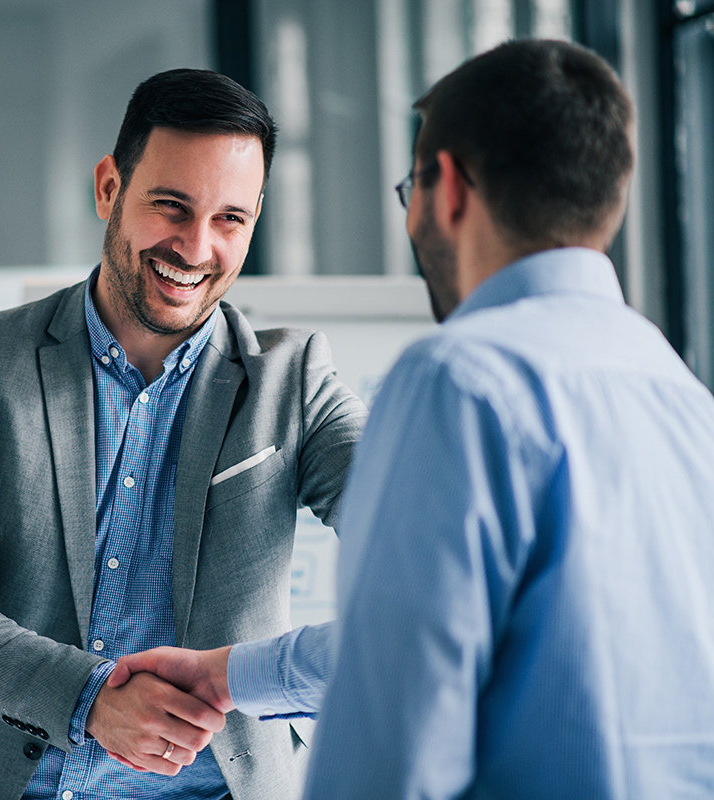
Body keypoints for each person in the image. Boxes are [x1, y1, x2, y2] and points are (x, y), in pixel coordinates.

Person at [110, 39, 714, 798]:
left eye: (411, 189)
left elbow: (393, 716)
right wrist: (229, 675)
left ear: (449, 189)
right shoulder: (683, 396)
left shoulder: (460, 381)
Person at [0, 68, 366, 800]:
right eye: (171, 206)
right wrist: (89, 698)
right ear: (109, 188)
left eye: (231, 219)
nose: (196, 248)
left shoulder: (295, 382)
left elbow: (422, 549)